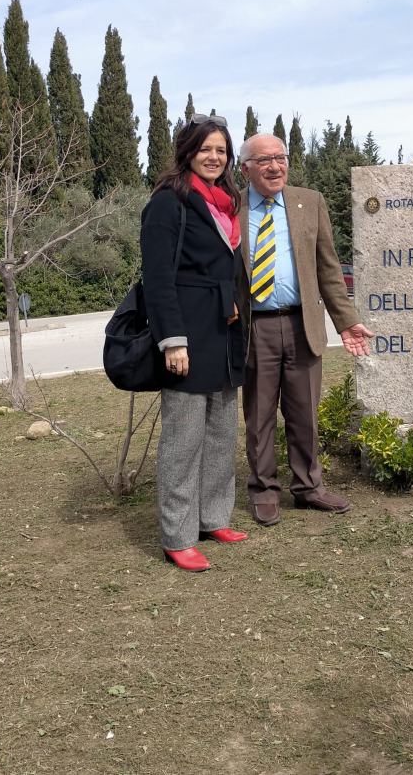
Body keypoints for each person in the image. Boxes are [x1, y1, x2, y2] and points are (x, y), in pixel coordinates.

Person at [237, 134, 374, 526]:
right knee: (259, 416)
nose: (274, 166)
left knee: (304, 413)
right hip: (255, 327)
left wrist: (346, 319)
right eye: (264, 160)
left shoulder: (308, 201)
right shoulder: (232, 207)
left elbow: (329, 268)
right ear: (245, 168)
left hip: (302, 324)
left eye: (280, 157)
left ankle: (308, 488)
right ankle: (264, 489)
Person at [140, 115, 247, 572]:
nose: (214, 157)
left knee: (222, 435)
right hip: (188, 334)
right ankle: (177, 535)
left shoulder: (226, 203)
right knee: (183, 442)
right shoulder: (168, 203)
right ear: (187, 151)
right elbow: (158, 279)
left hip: (224, 333)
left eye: (221, 150)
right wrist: (172, 342)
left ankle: (212, 517)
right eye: (206, 148)